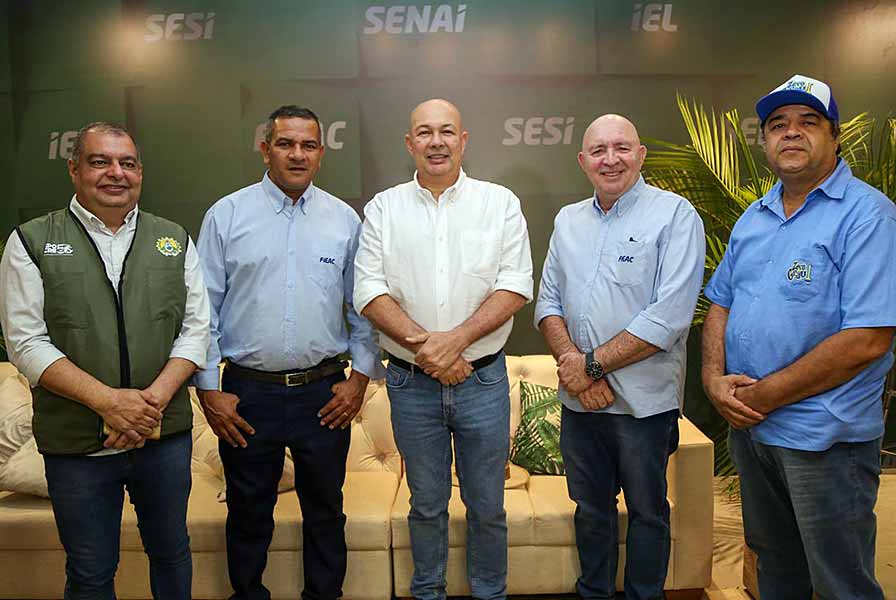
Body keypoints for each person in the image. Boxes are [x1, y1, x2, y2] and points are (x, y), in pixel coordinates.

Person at [702, 74, 896, 600]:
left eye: (808, 122)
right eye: (777, 125)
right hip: (753, 433)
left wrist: (763, 396)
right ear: (765, 141)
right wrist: (714, 379)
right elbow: (720, 302)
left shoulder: (869, 216)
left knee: (840, 581)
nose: (790, 132)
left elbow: (868, 338)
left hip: (824, 440)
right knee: (775, 567)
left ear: (835, 136)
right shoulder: (755, 217)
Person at [0, 121, 210, 600]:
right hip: (77, 443)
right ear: (74, 169)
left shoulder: (173, 238)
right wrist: (110, 404)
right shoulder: (31, 241)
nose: (116, 173)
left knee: (172, 553)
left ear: (140, 173)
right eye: (100, 162)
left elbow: (196, 330)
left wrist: (148, 406)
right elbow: (26, 343)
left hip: (162, 437)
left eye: (127, 163)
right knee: (91, 572)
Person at [194, 105, 383, 600]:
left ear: (321, 153)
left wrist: (359, 379)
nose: (297, 154)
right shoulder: (226, 215)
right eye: (285, 143)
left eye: (308, 145)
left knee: (326, 511)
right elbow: (201, 312)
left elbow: (363, 307)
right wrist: (209, 391)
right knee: (247, 511)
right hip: (246, 394)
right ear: (265, 149)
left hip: (324, 393)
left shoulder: (344, 220)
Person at [353, 98, 533, 600]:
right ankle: (428, 592)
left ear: (463, 140)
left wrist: (454, 343)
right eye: (425, 132)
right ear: (410, 143)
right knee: (426, 505)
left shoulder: (500, 204)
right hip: (411, 385)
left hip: (483, 381)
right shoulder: (384, 208)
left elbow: (515, 286)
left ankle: (489, 593)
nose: (437, 142)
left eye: (447, 131)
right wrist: (429, 350)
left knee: (487, 507)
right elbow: (368, 290)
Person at [534, 114, 705, 600]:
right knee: (591, 512)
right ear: (582, 161)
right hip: (580, 405)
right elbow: (547, 303)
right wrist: (577, 369)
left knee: (648, 513)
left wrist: (589, 366)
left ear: (640, 154)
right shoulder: (568, 220)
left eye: (622, 148)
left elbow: (668, 318)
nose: (610, 159)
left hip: (643, 408)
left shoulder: (675, 215)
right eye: (599, 150)